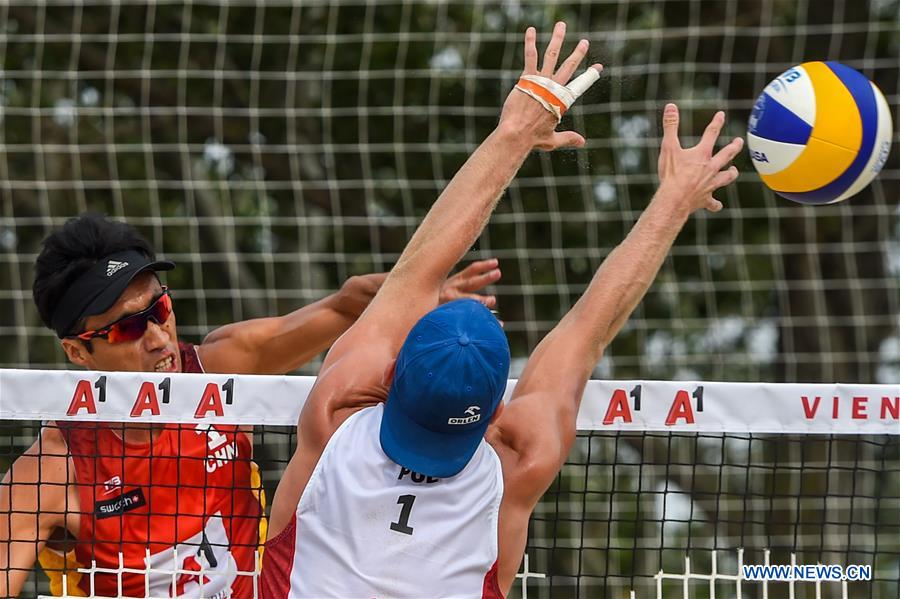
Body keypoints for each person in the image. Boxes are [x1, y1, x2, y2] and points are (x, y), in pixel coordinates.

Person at [259, 21, 744, 598]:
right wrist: (674, 201)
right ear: (497, 410)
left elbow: (421, 266)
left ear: (390, 375)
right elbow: (589, 328)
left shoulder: (336, 411)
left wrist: (513, 132)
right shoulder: (516, 460)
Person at [0, 214, 499, 597]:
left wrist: (412, 299)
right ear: (78, 351)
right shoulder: (49, 470)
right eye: (129, 327)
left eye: (161, 310)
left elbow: (339, 310)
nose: (159, 339)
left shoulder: (219, 368)